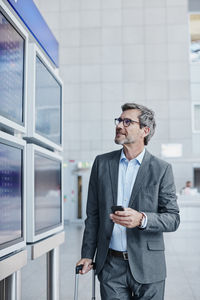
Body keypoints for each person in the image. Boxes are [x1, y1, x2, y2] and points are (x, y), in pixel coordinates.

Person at [77, 103, 180, 300]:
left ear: (145, 130)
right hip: (110, 266)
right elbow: (94, 215)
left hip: (148, 266)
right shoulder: (102, 163)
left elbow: (173, 218)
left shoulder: (161, 169)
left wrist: (142, 219)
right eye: (119, 120)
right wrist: (88, 254)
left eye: (127, 122)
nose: (119, 125)